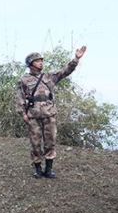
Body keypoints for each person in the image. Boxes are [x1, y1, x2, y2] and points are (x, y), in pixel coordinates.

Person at [16, 46, 87, 178]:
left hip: (50, 114)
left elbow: (66, 71)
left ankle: (48, 169)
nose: (41, 63)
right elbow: (19, 98)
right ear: (31, 64)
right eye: (37, 61)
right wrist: (23, 114)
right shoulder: (23, 80)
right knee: (35, 143)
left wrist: (76, 59)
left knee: (50, 142)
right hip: (33, 116)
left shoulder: (49, 77)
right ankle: (37, 169)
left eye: (41, 60)